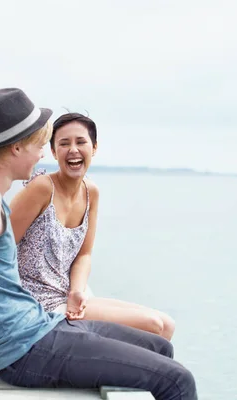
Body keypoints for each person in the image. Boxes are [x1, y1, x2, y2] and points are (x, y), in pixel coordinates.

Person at [0, 88, 197, 400]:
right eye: (39, 145)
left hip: (42, 325)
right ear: (16, 147)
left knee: (160, 345)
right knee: (177, 381)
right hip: (24, 349)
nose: (41, 155)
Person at [10, 112, 176, 340]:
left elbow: (84, 254)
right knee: (153, 325)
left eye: (81, 142)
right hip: (38, 302)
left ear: (94, 148)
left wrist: (77, 291)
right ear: (53, 151)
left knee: (167, 324)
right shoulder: (41, 188)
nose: (73, 150)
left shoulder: (91, 192)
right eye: (64, 143)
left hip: (69, 294)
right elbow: (0, 248)